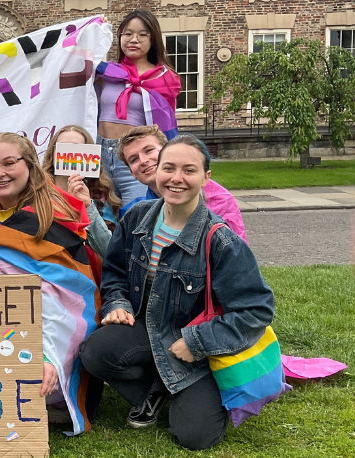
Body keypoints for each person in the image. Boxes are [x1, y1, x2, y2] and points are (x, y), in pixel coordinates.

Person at [79, 135, 275, 450]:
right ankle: (156, 389)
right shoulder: (137, 217)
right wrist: (117, 303)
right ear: (157, 173)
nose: (177, 178)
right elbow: (115, 271)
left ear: (205, 178)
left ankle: (188, 391)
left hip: (196, 349)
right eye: (168, 168)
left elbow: (257, 311)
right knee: (95, 352)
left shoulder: (220, 240)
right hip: (147, 329)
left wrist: (198, 342)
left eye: (189, 170)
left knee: (194, 437)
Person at [0, 132, 101, 435]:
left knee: (41, 371)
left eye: (8, 163)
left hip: (52, 321)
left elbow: (64, 293)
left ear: (29, 164)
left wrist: (47, 354)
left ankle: (54, 392)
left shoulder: (56, 210)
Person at [97, 9, 181, 203]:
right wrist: (93, 30)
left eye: (142, 34)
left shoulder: (165, 79)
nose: (133, 39)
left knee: (138, 217)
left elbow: (165, 125)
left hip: (135, 158)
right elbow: (76, 67)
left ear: (153, 40)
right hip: (98, 153)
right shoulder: (107, 72)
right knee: (100, 218)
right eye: (127, 33)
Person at [117, 126, 248, 242]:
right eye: (134, 159)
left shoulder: (220, 201)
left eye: (149, 150)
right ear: (131, 172)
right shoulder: (133, 213)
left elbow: (237, 257)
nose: (144, 160)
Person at [41, 125, 122, 257]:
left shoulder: (100, 194)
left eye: (75, 147)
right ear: (53, 152)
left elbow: (110, 251)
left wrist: (88, 207)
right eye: (62, 147)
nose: (69, 153)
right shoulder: (37, 189)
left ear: (89, 154)